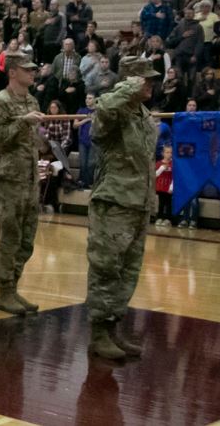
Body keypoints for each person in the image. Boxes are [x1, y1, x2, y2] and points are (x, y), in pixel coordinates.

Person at [84, 58, 159, 361]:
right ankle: (98, 333)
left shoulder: (142, 114)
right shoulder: (112, 111)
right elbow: (102, 112)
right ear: (131, 82)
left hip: (138, 202)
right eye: (145, 79)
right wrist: (127, 87)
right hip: (114, 202)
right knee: (106, 268)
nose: (151, 83)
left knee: (128, 271)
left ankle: (113, 326)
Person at [0, 53, 44, 316]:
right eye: (27, 69)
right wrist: (22, 122)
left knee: (26, 238)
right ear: (12, 72)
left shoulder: (31, 99)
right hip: (10, 179)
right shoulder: (0, 102)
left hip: (30, 178)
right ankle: (4, 291)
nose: (33, 73)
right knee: (9, 237)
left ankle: (14, 286)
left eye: (34, 69)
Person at [75, 93, 97, 187]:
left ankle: (89, 183)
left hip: (94, 140)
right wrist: (86, 119)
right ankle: (82, 182)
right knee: (83, 163)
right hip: (83, 141)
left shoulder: (99, 111)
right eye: (86, 98)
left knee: (90, 164)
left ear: (95, 99)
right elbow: (75, 125)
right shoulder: (81, 110)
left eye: (90, 98)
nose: (87, 100)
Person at [154, 149, 174, 226]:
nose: (169, 154)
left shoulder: (174, 164)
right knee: (161, 203)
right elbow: (155, 175)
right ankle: (159, 217)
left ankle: (168, 219)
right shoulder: (159, 163)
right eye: (167, 152)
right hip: (161, 187)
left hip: (169, 187)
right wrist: (161, 168)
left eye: (171, 152)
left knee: (169, 204)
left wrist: (171, 187)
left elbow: (174, 177)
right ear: (163, 153)